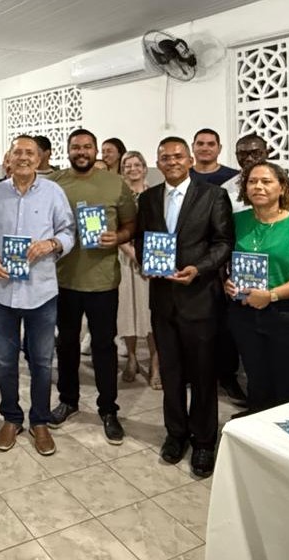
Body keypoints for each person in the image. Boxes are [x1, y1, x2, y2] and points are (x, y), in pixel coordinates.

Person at [134, 137, 234, 478]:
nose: (172, 161)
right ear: (158, 162)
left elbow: (224, 242)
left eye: (178, 156)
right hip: (163, 301)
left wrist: (199, 269)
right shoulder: (148, 198)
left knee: (203, 374)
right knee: (172, 372)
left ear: (190, 160)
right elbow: (141, 238)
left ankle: (204, 441)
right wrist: (145, 263)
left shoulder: (213, 195)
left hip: (200, 298)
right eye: (165, 157)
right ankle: (175, 434)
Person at [0, 135, 74, 456]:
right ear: (9, 157)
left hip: (41, 292)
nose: (23, 157)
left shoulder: (53, 192)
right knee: (5, 360)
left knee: (42, 362)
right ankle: (11, 417)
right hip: (2, 292)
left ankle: (40, 420)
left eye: (29, 152)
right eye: (17, 152)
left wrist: (51, 244)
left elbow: (68, 232)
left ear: (39, 158)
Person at [45, 128, 138, 446]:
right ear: (68, 150)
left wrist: (118, 237)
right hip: (64, 279)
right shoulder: (54, 183)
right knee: (66, 344)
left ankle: (108, 409)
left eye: (87, 147)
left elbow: (131, 224)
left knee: (103, 347)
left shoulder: (115, 184)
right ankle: (68, 400)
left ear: (96, 150)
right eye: (76, 147)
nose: (81, 151)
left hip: (103, 281)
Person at [225, 161, 289, 414]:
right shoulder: (236, 221)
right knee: (256, 381)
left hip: (287, 314)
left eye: (266, 181)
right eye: (252, 182)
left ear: (283, 188)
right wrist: (227, 282)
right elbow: (227, 261)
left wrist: (271, 295)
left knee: (288, 385)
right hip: (244, 313)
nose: (258, 187)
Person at [117, 151, 159, 388]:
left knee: (151, 313)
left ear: (144, 168)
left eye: (136, 164)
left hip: (152, 261)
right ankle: (131, 358)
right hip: (125, 259)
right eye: (127, 165)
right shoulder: (118, 196)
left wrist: (147, 259)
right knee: (127, 312)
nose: (132, 169)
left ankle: (155, 361)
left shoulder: (156, 195)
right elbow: (113, 227)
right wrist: (133, 254)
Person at [221, 134, 289, 215]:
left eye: (255, 153)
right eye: (243, 154)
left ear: (267, 153)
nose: (249, 158)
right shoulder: (226, 188)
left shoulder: (287, 185)